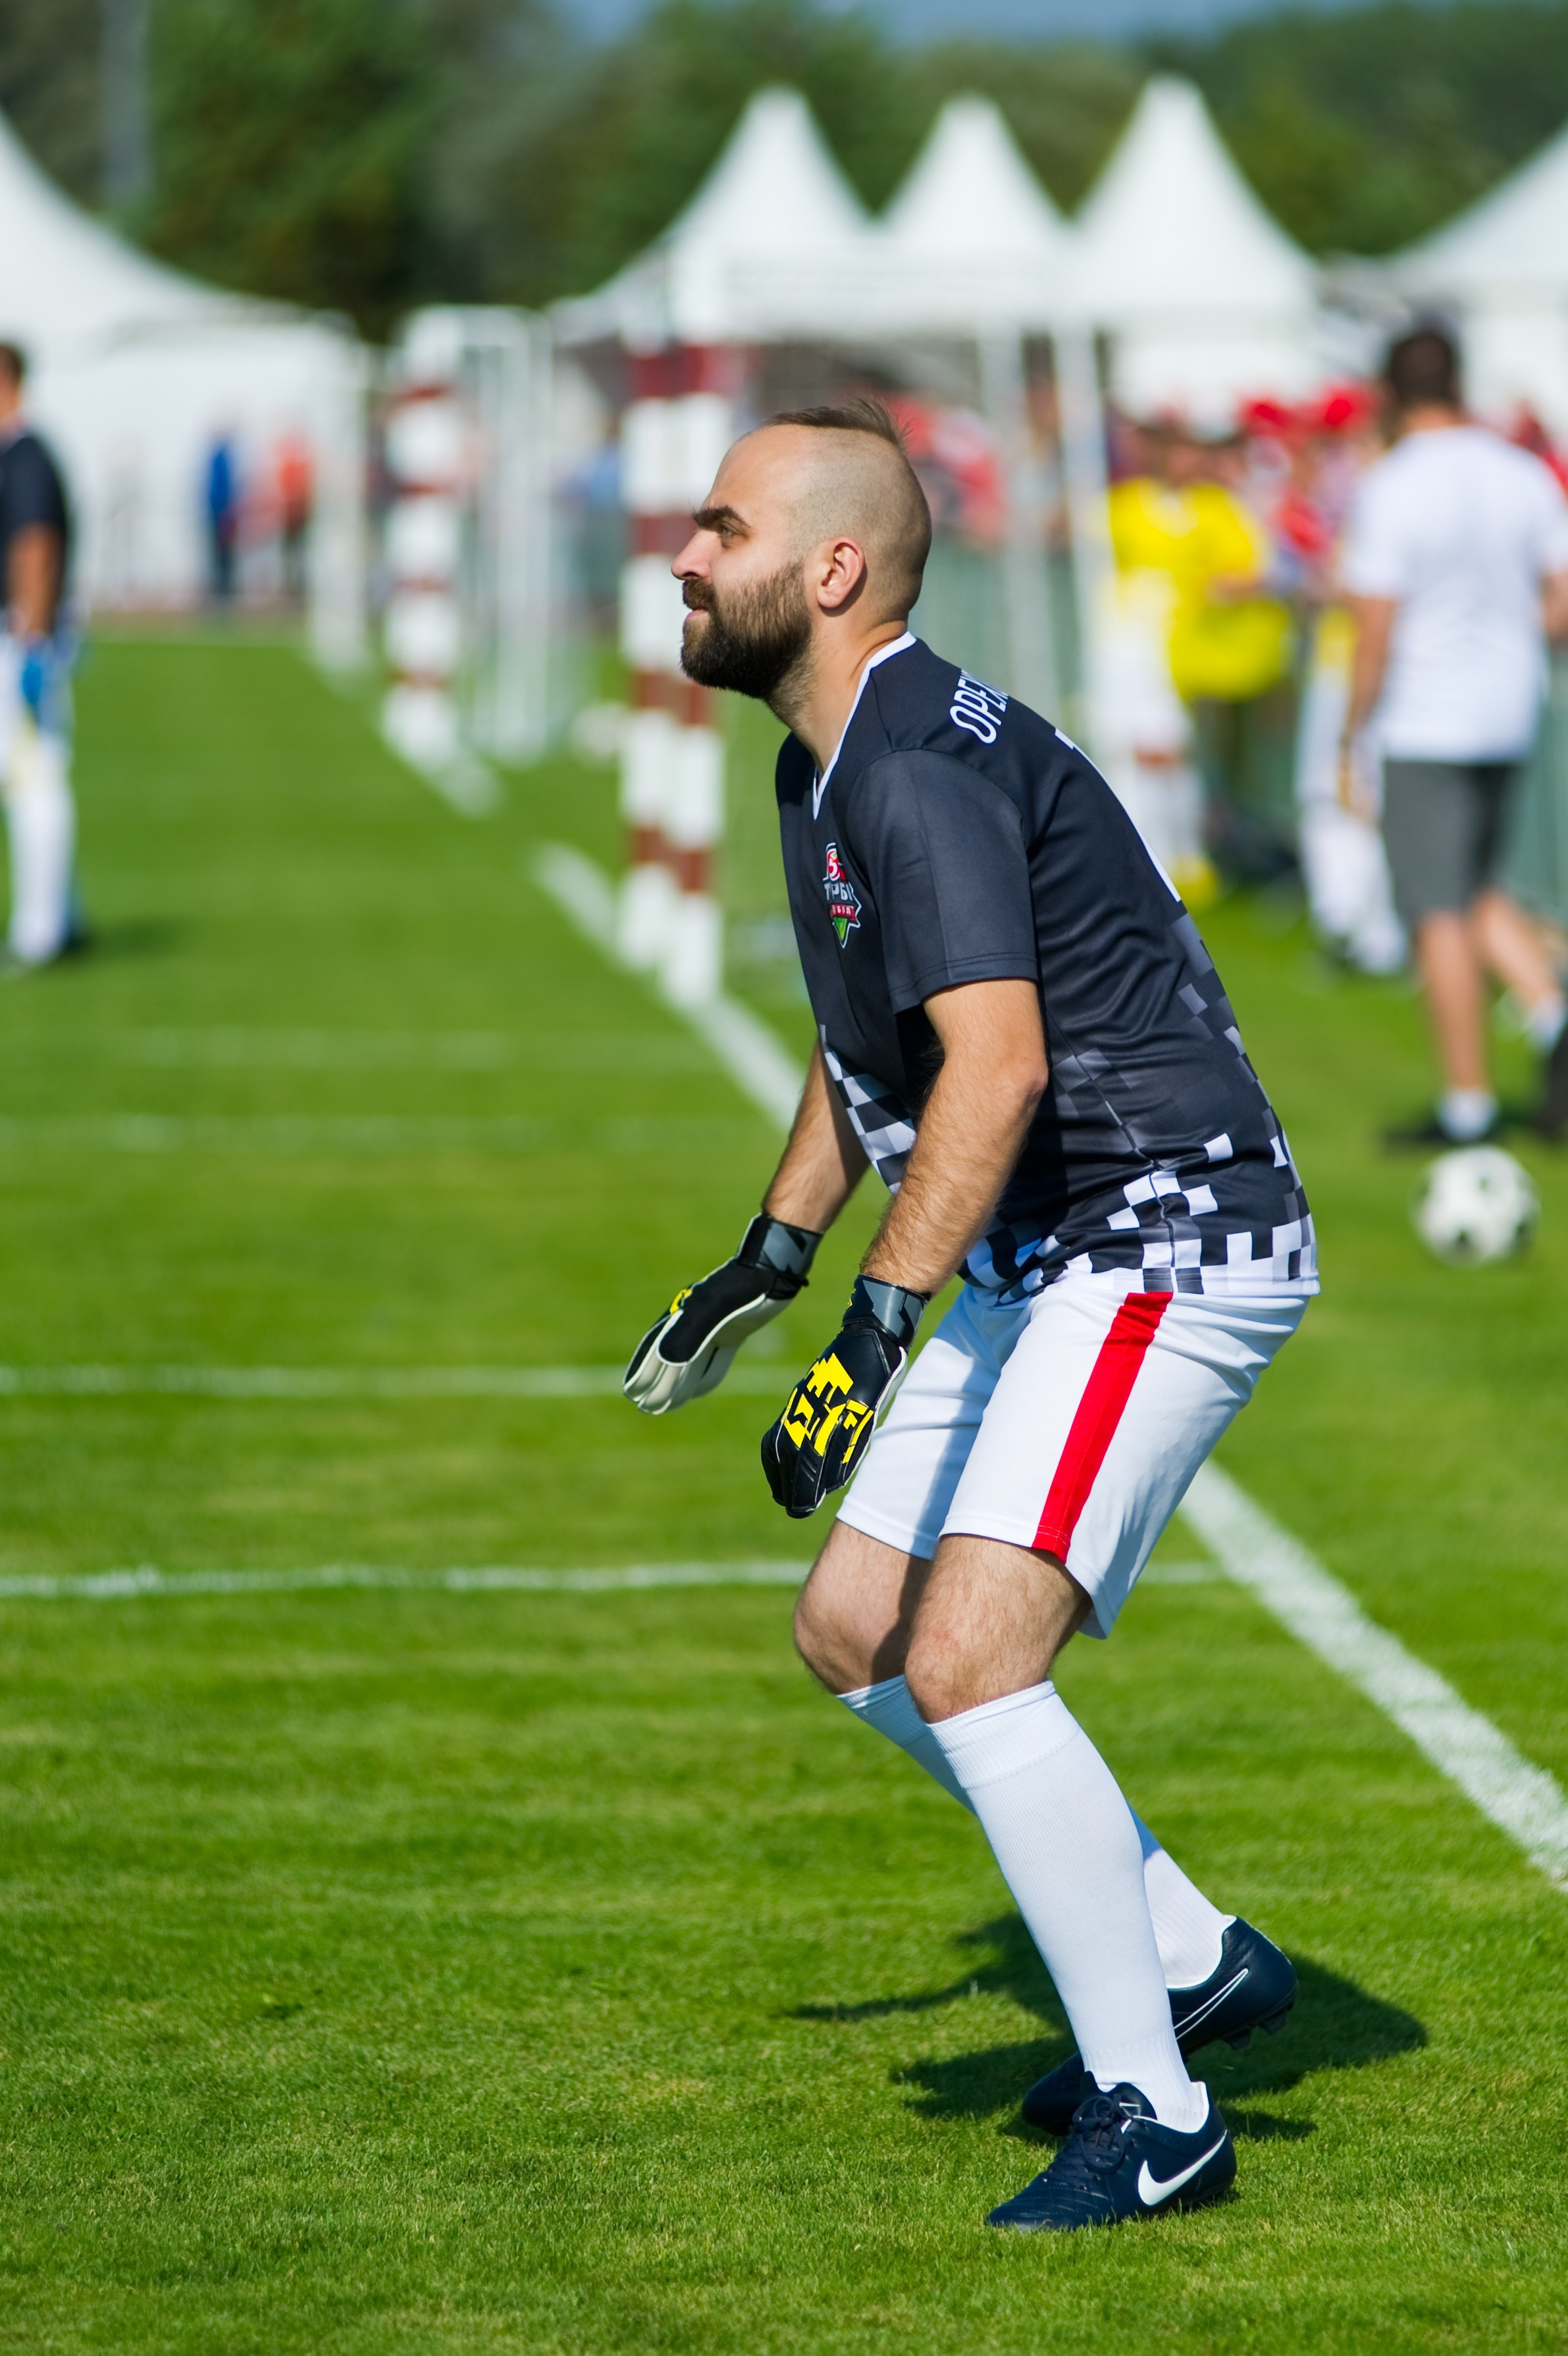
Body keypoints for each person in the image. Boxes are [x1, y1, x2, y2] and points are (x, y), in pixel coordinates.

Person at [623, 400, 1314, 2234]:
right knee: (854, 1625)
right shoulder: (828, 760)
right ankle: (1175, 1951)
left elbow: (988, 1072)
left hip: (1158, 1240)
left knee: (970, 1656)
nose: (680, 560)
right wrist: (768, 1260)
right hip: (1048, 1248)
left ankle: (1155, 2115)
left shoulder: (912, 764)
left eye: (716, 528)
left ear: (829, 571)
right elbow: (876, 1048)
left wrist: (866, 1343)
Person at [1340, 326, 1568, 1145]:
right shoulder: (1520, 471)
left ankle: (1466, 1107)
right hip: (1510, 708)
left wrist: (1348, 736)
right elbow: (1560, 601)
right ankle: (1552, 1019)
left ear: (1391, 391)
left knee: (1435, 908)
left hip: (1426, 713)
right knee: (1475, 883)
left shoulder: (1392, 483)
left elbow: (1375, 627)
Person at [0, 340, 80, 969]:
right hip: (22, 638)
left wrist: (31, 641)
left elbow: (36, 550)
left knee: (33, 781)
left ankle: (41, 930)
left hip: (17, 640)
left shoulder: (24, 458)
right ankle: (62, 914)